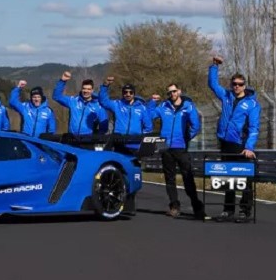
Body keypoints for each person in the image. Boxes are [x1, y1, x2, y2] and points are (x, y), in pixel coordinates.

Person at [209, 56, 261, 223]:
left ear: (245, 85)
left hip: (241, 145)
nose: (236, 87)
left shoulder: (252, 104)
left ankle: (245, 211)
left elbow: (254, 128)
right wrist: (214, 66)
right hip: (225, 142)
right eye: (234, 84)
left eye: (239, 84)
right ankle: (228, 210)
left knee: (244, 179)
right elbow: (212, 84)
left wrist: (249, 147)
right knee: (227, 177)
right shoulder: (226, 96)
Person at [148, 84, 204, 219]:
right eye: (169, 92)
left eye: (174, 91)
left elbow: (196, 125)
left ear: (179, 91)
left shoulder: (188, 106)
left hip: (181, 147)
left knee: (188, 177)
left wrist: (186, 137)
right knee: (169, 179)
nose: (172, 94)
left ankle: (197, 207)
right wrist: (152, 102)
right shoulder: (163, 106)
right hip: (165, 147)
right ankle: (174, 206)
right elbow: (149, 116)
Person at [97, 77, 153, 152]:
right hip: (119, 143)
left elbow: (148, 126)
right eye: (125, 92)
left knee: (133, 163)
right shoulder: (117, 104)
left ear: (134, 94)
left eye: (130, 92)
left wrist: (140, 136)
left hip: (135, 144)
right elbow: (103, 101)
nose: (128, 94)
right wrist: (105, 86)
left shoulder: (142, 108)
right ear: (122, 94)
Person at [52, 71, 108, 137]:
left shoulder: (98, 105)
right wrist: (62, 81)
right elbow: (56, 96)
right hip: (71, 138)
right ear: (81, 89)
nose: (86, 91)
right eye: (84, 89)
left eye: (88, 89)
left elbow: (104, 125)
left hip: (88, 140)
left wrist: (97, 137)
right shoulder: (73, 101)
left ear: (92, 90)